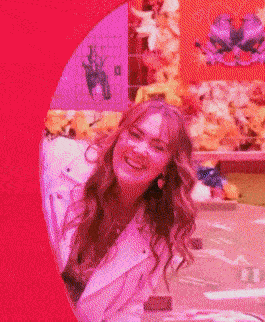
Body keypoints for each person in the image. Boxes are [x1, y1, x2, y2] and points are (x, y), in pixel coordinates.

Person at [41, 99, 198, 322]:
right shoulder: (60, 162)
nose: (140, 149)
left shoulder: (159, 233)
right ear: (118, 136)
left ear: (168, 166)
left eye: (158, 146)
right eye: (135, 135)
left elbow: (128, 309)